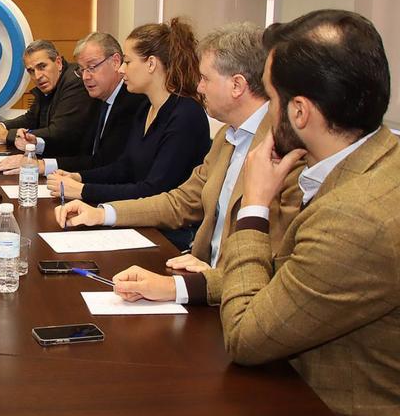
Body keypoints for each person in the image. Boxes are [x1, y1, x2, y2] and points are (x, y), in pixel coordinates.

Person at [220, 10, 399, 415]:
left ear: (300, 112)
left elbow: (246, 336)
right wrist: (187, 287)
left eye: (270, 97)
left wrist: (254, 206)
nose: (266, 113)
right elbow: (300, 276)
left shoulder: (354, 218)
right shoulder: (378, 162)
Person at [56, 23, 303, 305]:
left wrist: (193, 282)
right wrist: (103, 214)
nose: (198, 87)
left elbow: (276, 266)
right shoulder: (228, 136)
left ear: (237, 85)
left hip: (236, 298)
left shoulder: (285, 148)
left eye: (205, 79)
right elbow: (182, 201)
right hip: (201, 278)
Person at [46, 18, 210, 205]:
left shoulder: (186, 115)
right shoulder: (145, 108)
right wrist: (79, 177)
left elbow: (155, 190)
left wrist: (84, 190)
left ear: (151, 64)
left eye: (128, 62)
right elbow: (125, 168)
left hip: (169, 230)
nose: (122, 69)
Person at [0, 33, 146, 175]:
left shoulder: (132, 102)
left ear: (115, 62)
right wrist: (37, 145)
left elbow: (106, 164)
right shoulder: (98, 97)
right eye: (82, 70)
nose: (86, 77)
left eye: (92, 67)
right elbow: (79, 148)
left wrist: (45, 166)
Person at [0, 40, 99, 157]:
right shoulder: (49, 85)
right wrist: (0, 126)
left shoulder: (74, 82)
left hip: (74, 164)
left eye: (42, 67)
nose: (37, 76)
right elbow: (31, 119)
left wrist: (7, 135)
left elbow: (58, 132)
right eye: (31, 71)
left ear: (58, 63)